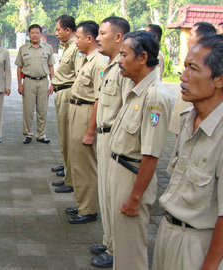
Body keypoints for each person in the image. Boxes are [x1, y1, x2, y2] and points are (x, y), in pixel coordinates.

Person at [152, 34, 223, 270]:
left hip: (199, 245)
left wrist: (209, 266)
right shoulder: (188, 119)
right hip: (169, 232)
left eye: (193, 69)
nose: (183, 76)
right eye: (184, 66)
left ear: (221, 79)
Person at [109, 31, 171, 269]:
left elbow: (151, 154)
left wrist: (135, 198)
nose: (119, 60)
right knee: (121, 245)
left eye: (124, 55)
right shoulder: (136, 88)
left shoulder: (154, 96)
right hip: (120, 170)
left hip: (131, 175)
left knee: (131, 248)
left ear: (143, 57)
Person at [90, 16, 131, 268]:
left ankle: (117, 248)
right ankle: (108, 241)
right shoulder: (111, 66)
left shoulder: (125, 69)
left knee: (114, 196)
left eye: (103, 33)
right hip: (103, 136)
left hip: (114, 139)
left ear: (118, 37)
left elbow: (126, 110)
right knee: (105, 193)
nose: (97, 38)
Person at [65, 21, 107, 224]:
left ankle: (89, 209)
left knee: (85, 164)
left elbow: (99, 98)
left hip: (87, 112)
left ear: (89, 39)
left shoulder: (99, 62)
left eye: (79, 38)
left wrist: (91, 130)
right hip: (77, 110)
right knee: (76, 162)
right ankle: (82, 203)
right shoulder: (86, 59)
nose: (76, 42)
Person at [169, 22, 216, 135]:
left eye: (191, 34)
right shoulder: (190, 56)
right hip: (185, 120)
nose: (183, 77)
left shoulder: (209, 62)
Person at [50, 15, 79, 193]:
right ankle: (67, 172)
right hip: (61, 93)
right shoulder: (68, 46)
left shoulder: (76, 47)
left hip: (68, 94)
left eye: (58, 29)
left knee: (68, 138)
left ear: (68, 30)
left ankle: (70, 178)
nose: (56, 33)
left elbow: (79, 77)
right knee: (63, 136)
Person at [15, 24, 55, 144]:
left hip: (43, 81)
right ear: (29, 34)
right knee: (28, 110)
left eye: (37, 32)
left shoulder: (47, 48)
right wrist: (19, 85)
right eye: (32, 33)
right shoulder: (24, 49)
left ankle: (41, 135)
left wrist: (52, 83)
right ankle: (28, 134)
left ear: (40, 34)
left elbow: (51, 66)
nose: (35, 35)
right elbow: (19, 68)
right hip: (28, 82)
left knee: (42, 110)